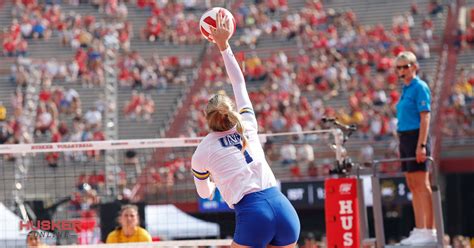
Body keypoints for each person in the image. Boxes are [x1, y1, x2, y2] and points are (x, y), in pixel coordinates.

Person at [191, 10, 300, 248]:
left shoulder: (203, 151)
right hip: (283, 207)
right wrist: (224, 45)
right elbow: (239, 84)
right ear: (231, 111)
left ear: (205, 118)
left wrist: (213, 182)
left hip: (253, 213)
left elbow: (204, 194)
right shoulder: (248, 125)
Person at [395, 51, 436, 245]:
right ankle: (419, 228)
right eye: (399, 67)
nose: (402, 71)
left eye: (405, 66)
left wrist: (421, 144)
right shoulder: (406, 89)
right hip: (405, 138)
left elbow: (425, 116)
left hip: (416, 137)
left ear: (414, 67)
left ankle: (430, 229)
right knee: (412, 184)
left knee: (422, 184)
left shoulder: (420, 87)